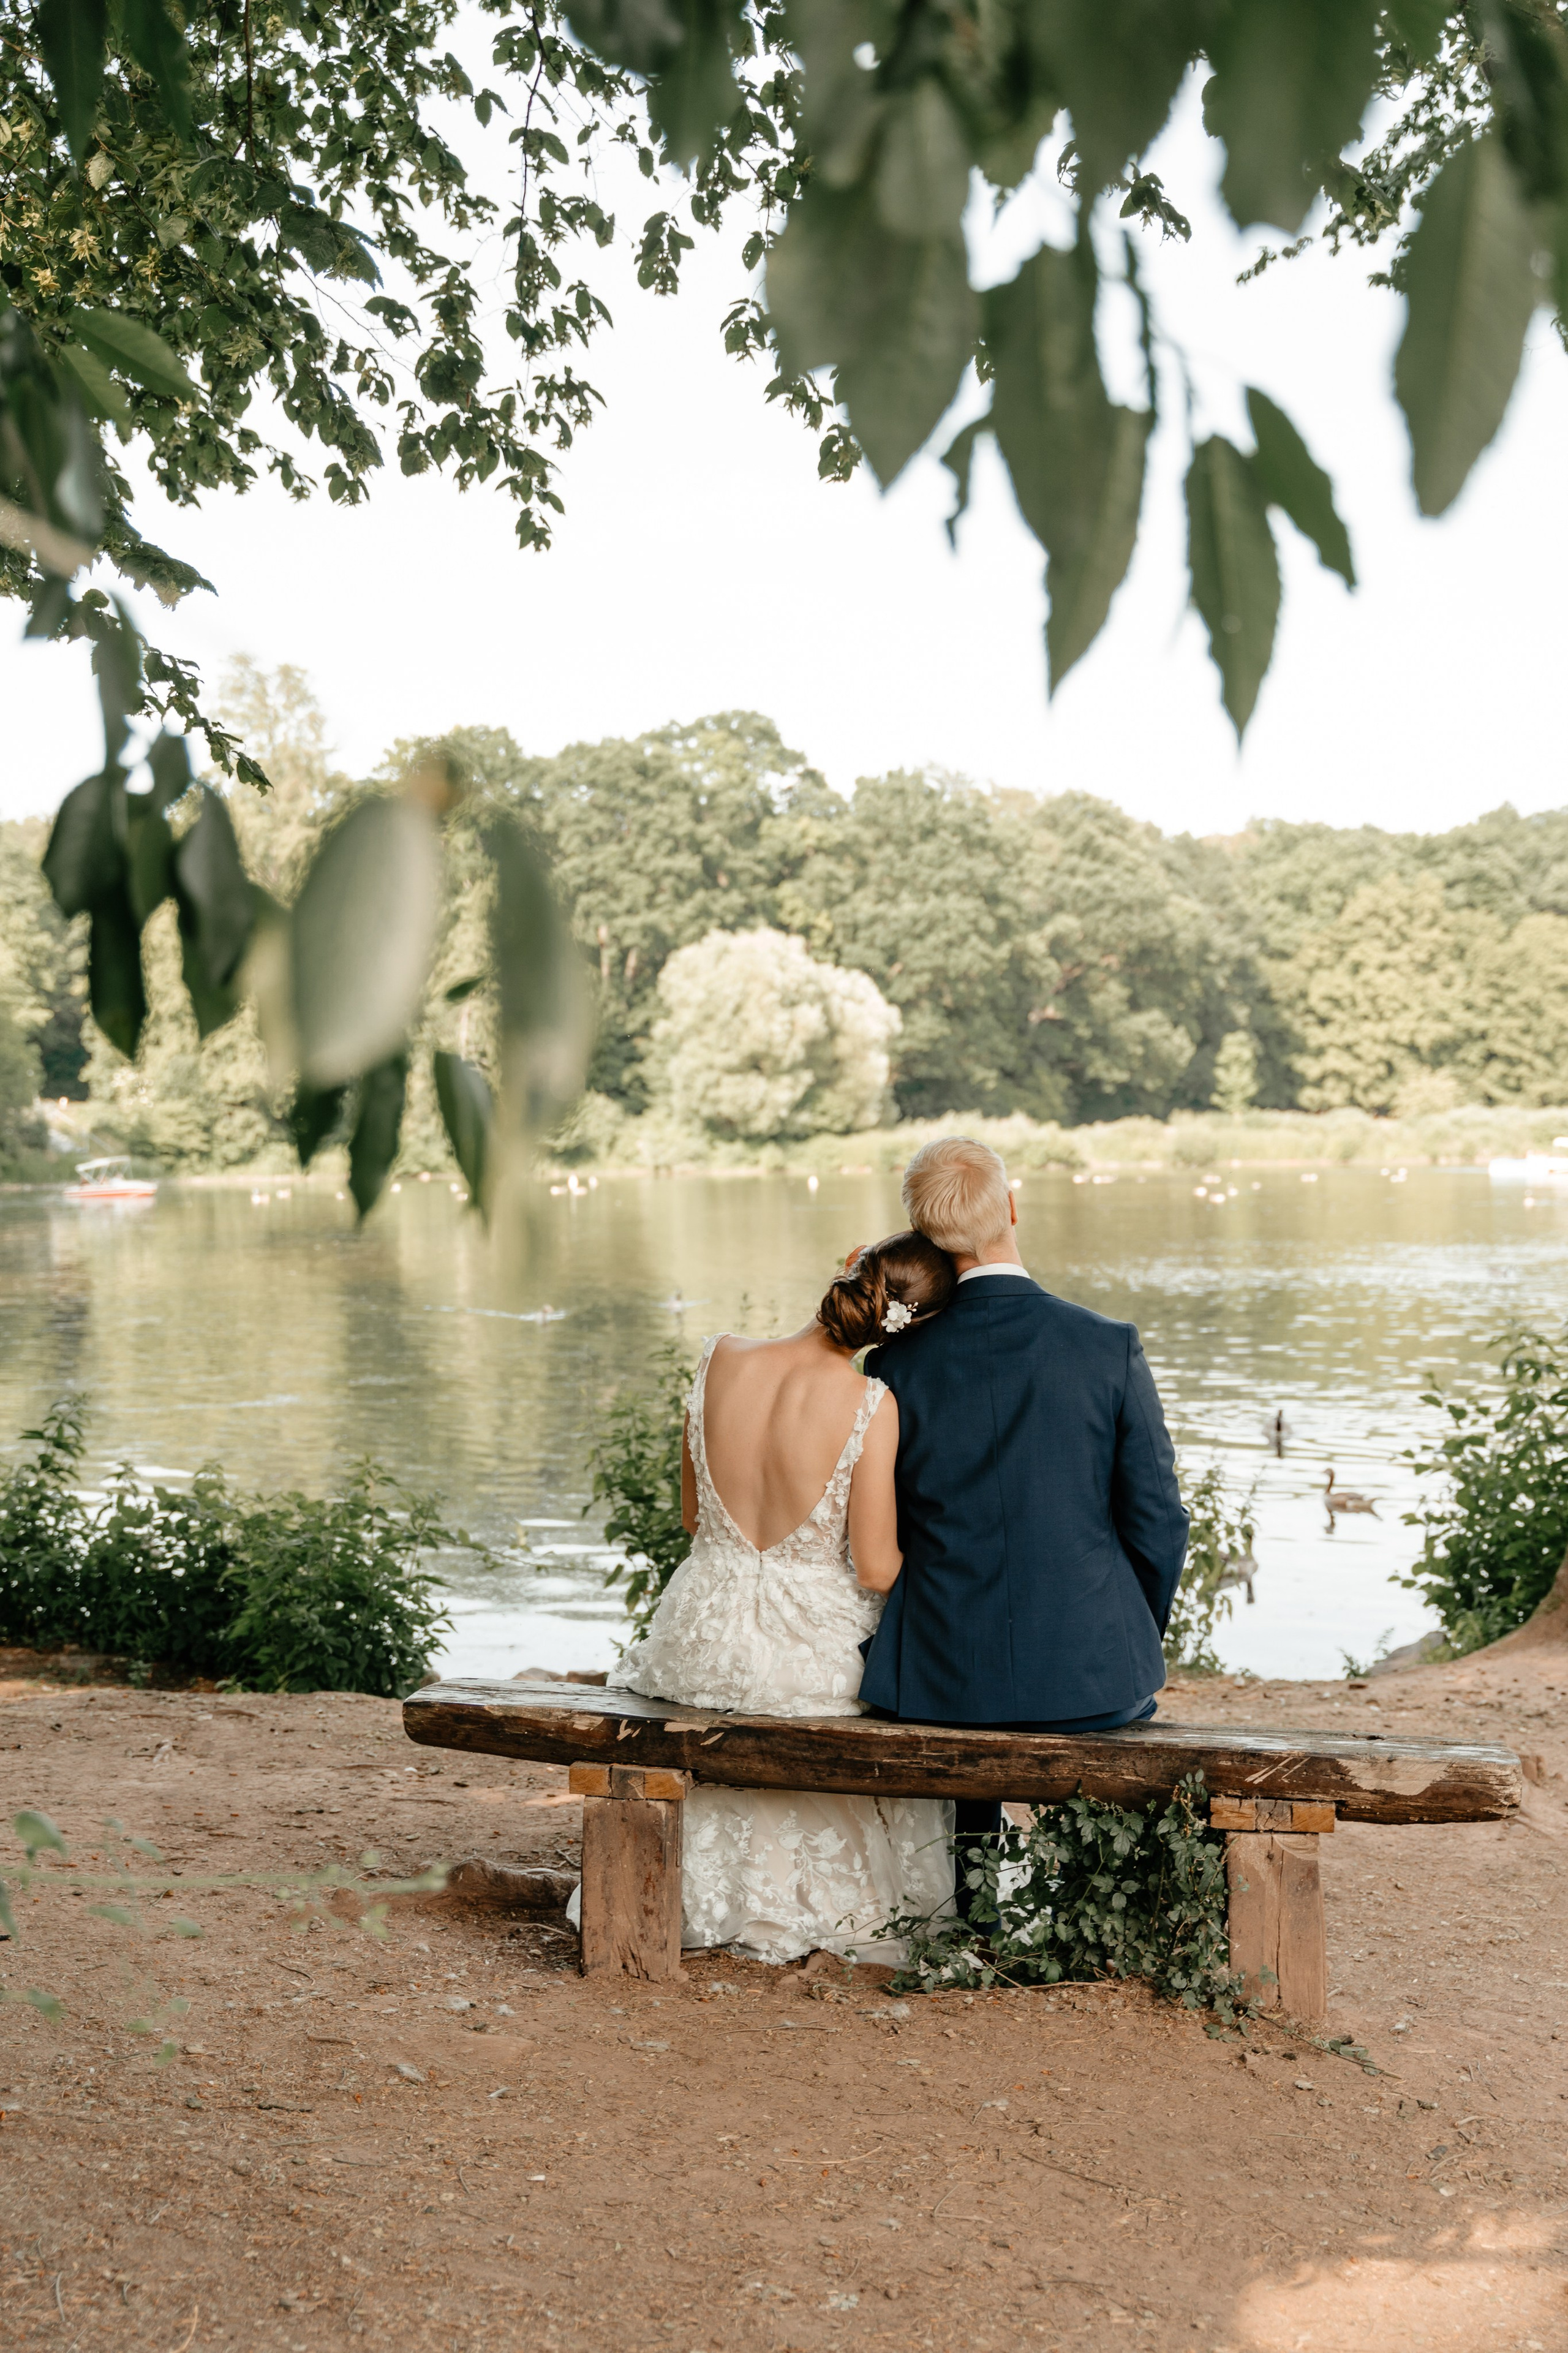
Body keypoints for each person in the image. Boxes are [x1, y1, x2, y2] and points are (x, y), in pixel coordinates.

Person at [605, 1233, 959, 1963]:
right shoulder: (870, 1403)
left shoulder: (719, 1357)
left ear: (848, 1263)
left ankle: (701, 1893)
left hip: (698, 1636)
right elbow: (875, 1567)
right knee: (866, 1680)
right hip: (807, 1650)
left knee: (727, 1694)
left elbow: (696, 1519)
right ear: (914, 1326)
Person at [859, 1135, 1188, 1878]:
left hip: (941, 1680)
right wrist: (1128, 1631)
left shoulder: (894, 1361)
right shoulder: (1106, 1346)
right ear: (1010, 1207)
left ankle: (974, 1905)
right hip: (1090, 1677)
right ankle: (1085, 1894)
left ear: (924, 1231)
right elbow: (1159, 1521)